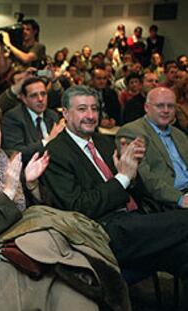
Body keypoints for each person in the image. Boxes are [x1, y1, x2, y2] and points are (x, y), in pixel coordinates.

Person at [0, 100, 129, 311]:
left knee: (78, 299)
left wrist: (30, 184)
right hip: (0, 252)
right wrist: (10, 191)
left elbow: (40, 211)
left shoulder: (9, 161)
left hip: (36, 242)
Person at [42, 85, 188, 311]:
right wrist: (122, 177)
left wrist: (133, 174)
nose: (90, 115)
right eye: (82, 109)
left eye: (94, 108)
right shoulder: (56, 152)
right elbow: (80, 207)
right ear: (65, 113)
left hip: (134, 222)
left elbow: (132, 187)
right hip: (103, 231)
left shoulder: (103, 142)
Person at [117, 87, 188, 210]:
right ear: (146, 108)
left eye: (170, 106)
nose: (166, 110)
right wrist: (179, 198)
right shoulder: (131, 132)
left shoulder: (179, 134)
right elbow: (145, 179)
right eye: (160, 106)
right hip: (168, 200)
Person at [2, 77, 63, 161]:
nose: (40, 99)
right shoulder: (13, 118)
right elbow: (17, 154)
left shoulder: (53, 115)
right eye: (34, 95)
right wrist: (47, 141)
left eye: (43, 94)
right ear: (24, 99)